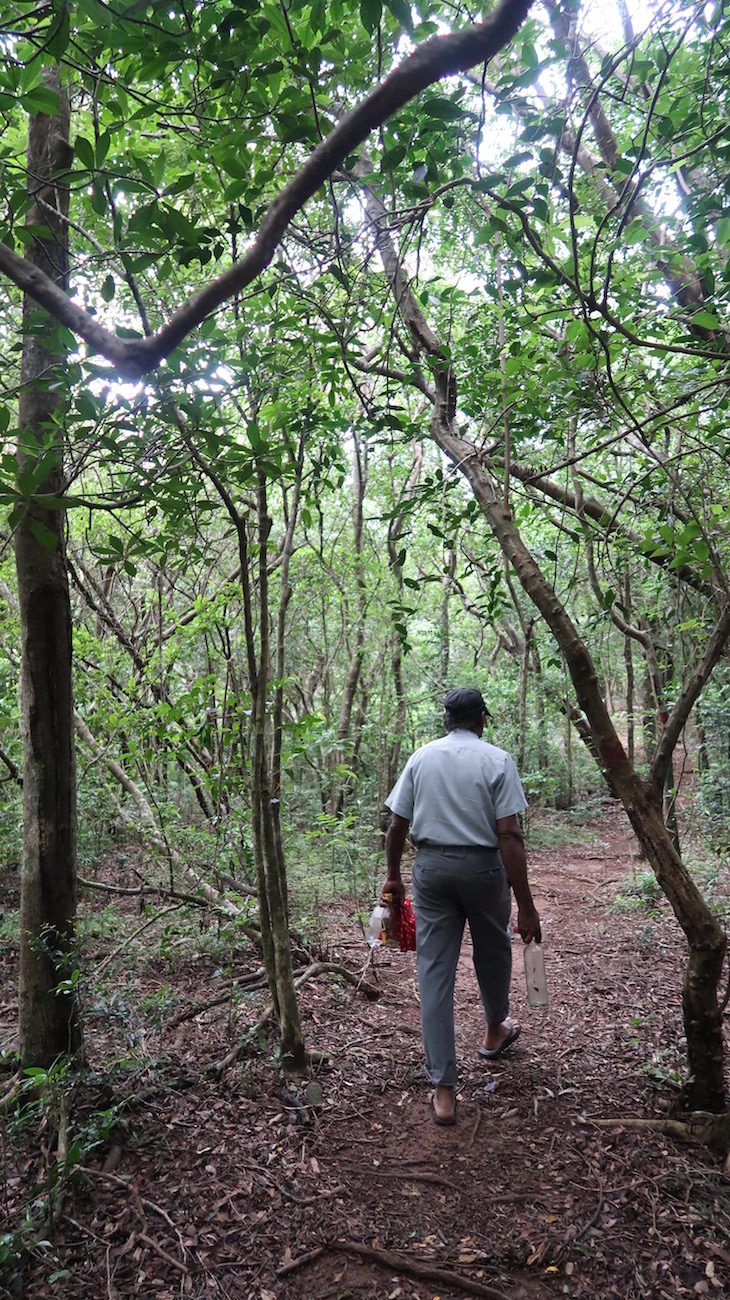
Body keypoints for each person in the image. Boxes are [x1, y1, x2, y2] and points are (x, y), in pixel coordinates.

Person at [382, 687, 541, 1126]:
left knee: (434, 970)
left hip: (431, 870)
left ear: (447, 719)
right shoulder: (497, 760)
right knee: (493, 950)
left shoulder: (421, 757)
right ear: (481, 720)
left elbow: (398, 822)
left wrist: (394, 874)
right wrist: (525, 904)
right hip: (484, 871)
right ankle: (494, 1031)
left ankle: (444, 1090)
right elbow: (507, 834)